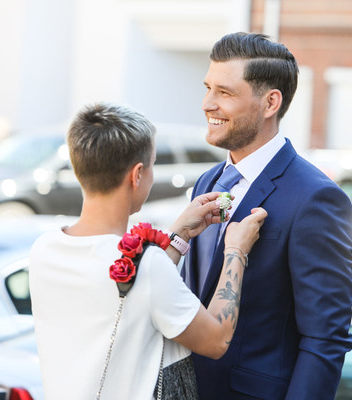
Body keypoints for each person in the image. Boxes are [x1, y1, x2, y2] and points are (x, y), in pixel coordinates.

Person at [29, 102, 267, 400]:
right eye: (153, 164)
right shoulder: (147, 266)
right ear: (137, 174)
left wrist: (180, 234)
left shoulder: (45, 249)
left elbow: (134, 293)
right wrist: (236, 251)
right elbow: (216, 339)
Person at [181, 32, 352, 400]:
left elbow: (326, 338)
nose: (207, 104)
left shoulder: (316, 198)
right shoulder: (207, 182)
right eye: (208, 88)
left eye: (225, 93)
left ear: (270, 102)